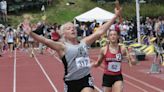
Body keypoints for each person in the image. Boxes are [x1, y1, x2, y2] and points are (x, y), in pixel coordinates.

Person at [23, 8, 121, 92]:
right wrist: (31, 33)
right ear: (64, 33)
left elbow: (100, 31)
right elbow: (45, 40)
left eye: (73, 28)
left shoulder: (84, 42)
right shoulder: (62, 47)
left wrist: (114, 16)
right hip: (71, 82)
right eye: (69, 28)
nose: (72, 29)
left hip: (85, 79)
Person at [91, 28, 137, 92]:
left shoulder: (122, 48)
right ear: (108, 37)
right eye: (111, 35)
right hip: (107, 77)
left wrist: (131, 56)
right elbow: (98, 63)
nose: (113, 36)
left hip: (118, 76)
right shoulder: (104, 49)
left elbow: (133, 63)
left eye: (115, 35)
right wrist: (92, 65)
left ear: (118, 37)